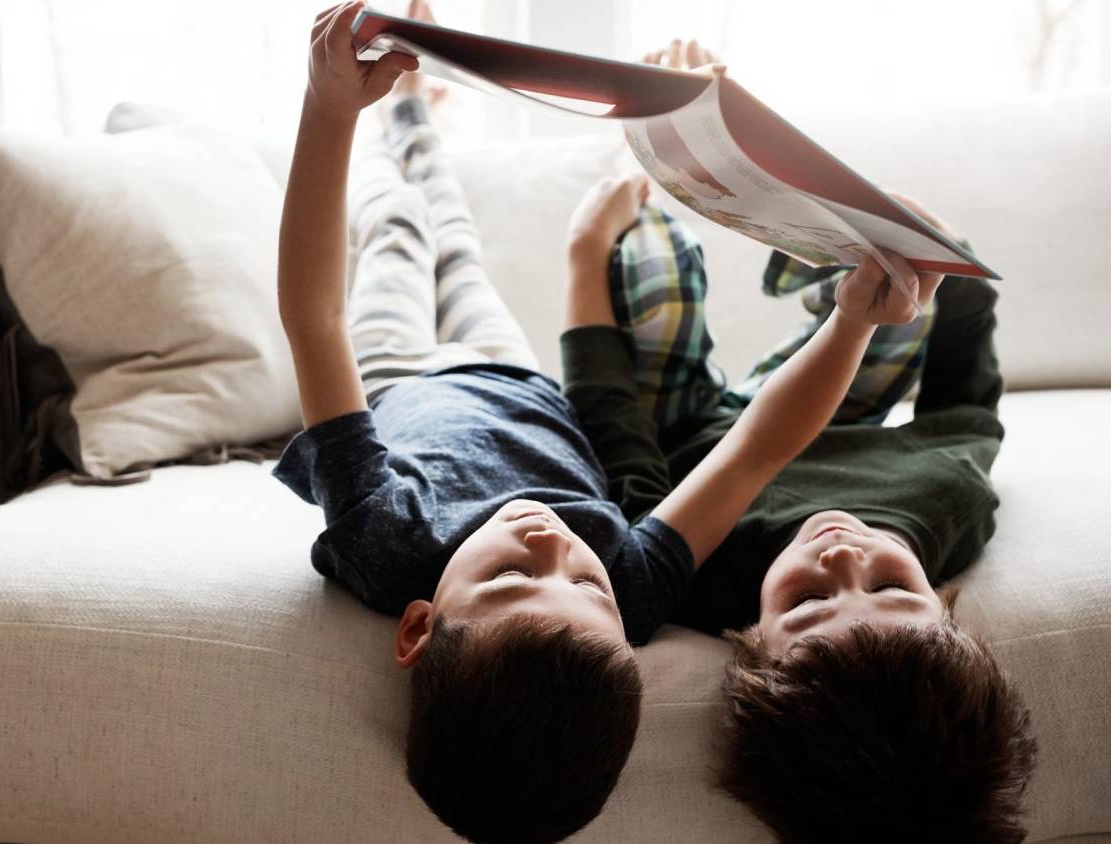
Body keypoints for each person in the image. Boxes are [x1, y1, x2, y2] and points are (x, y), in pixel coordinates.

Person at [272, 5, 931, 841]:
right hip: (514, 371)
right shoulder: (634, 583)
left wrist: (327, 107)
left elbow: (314, 320)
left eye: (512, 580)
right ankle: (416, 121)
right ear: (623, 627)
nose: (553, 545)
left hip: (394, 373)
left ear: (419, 626)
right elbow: (755, 452)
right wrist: (852, 324)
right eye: (586, 587)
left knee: (399, 233)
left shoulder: (385, 540)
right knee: (459, 237)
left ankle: (389, 127)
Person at [584, 36, 1039, 844]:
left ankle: (655, 173)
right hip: (833, 405)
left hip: (688, 426)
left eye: (807, 601)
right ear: (942, 603)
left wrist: (587, 255)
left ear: (749, 639)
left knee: (655, 285)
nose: (840, 560)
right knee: (910, 291)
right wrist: (951, 270)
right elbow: (966, 406)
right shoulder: (949, 502)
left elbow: (619, 444)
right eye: (894, 589)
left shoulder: (698, 581)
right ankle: (815, 252)